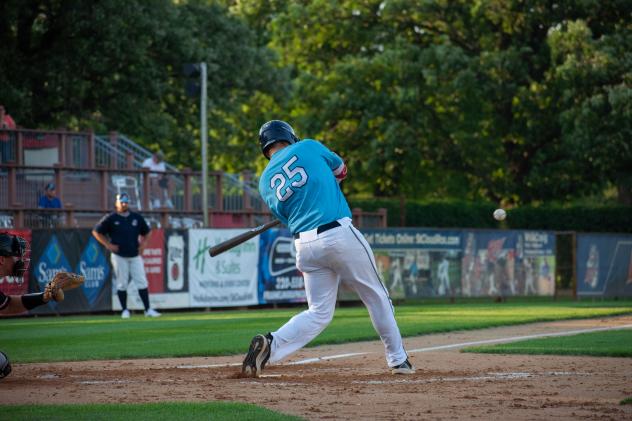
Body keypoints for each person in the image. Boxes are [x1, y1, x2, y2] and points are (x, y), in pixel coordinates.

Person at [241, 120, 414, 378]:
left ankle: (271, 343)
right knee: (376, 295)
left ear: (264, 148)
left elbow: (288, 219)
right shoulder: (308, 146)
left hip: (305, 245)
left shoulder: (265, 181)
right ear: (290, 136)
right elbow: (341, 170)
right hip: (337, 233)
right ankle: (398, 360)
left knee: (319, 313)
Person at [92, 193, 161, 318]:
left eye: (126, 202)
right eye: (122, 202)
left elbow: (148, 232)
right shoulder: (111, 218)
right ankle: (124, 310)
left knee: (142, 281)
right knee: (122, 283)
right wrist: (108, 244)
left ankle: (147, 309)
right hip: (119, 255)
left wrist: (144, 244)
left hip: (134, 254)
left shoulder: (136, 217)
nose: (124, 204)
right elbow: (96, 231)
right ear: (116, 203)